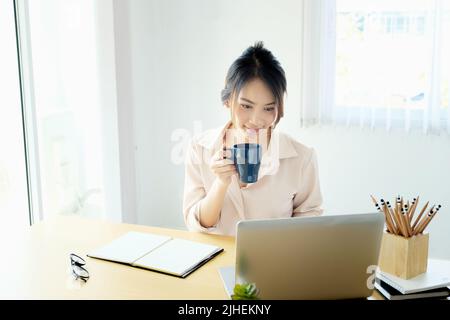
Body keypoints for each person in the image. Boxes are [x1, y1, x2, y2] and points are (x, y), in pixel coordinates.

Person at [183, 41, 323, 236]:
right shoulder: (200, 148)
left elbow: (310, 223)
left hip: (275, 262)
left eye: (268, 108)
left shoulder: (302, 157)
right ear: (228, 100)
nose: (257, 120)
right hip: (217, 261)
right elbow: (197, 225)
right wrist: (221, 183)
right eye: (246, 106)